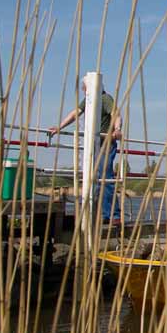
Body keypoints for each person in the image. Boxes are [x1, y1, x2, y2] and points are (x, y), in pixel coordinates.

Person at [48, 77, 123, 224]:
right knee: (93, 177)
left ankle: (113, 215)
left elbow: (116, 114)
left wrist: (117, 129)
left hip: (105, 143)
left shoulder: (104, 98)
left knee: (104, 176)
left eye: (84, 87)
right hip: (93, 144)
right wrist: (59, 127)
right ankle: (99, 214)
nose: (83, 90)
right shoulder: (89, 100)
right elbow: (75, 113)